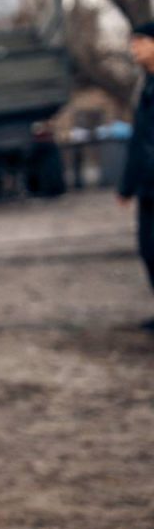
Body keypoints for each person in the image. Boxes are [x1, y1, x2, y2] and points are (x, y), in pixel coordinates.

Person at [120, 20, 154, 330]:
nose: (134, 48)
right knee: (148, 249)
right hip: (148, 185)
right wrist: (127, 186)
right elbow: (138, 140)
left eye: (140, 41)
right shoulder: (144, 85)